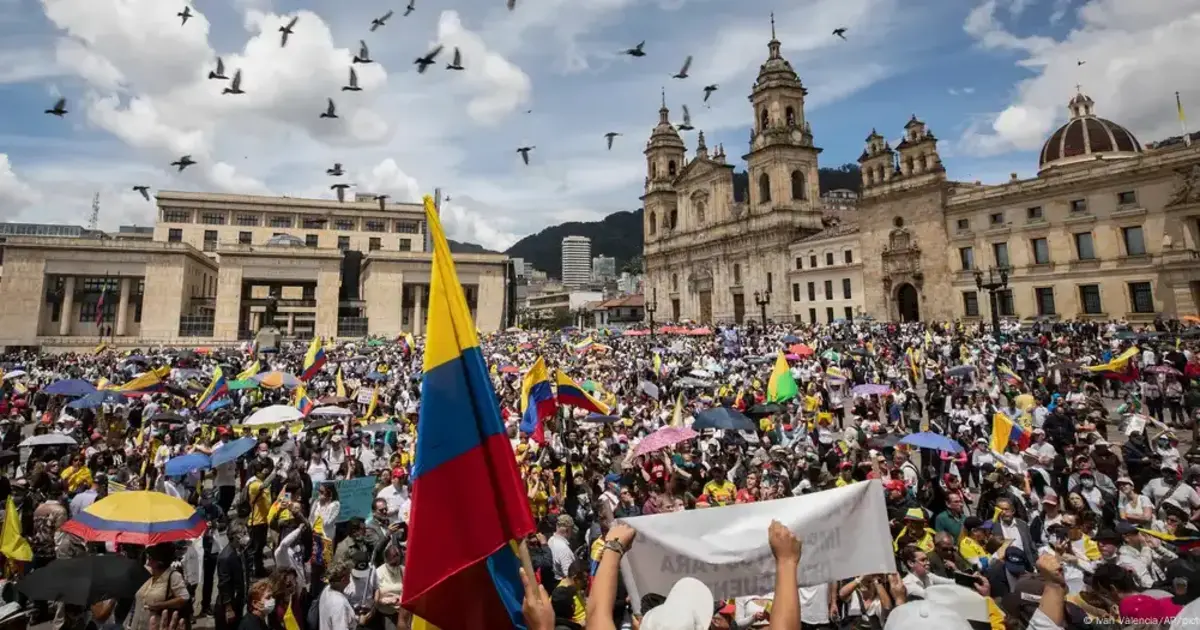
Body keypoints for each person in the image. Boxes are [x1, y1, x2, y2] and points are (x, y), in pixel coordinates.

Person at [125, 544, 191, 630]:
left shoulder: (173, 576)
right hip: (135, 624)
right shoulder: (146, 572)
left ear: (160, 562)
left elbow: (184, 597)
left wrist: (161, 605)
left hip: (156, 625)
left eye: (151, 559)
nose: (148, 562)